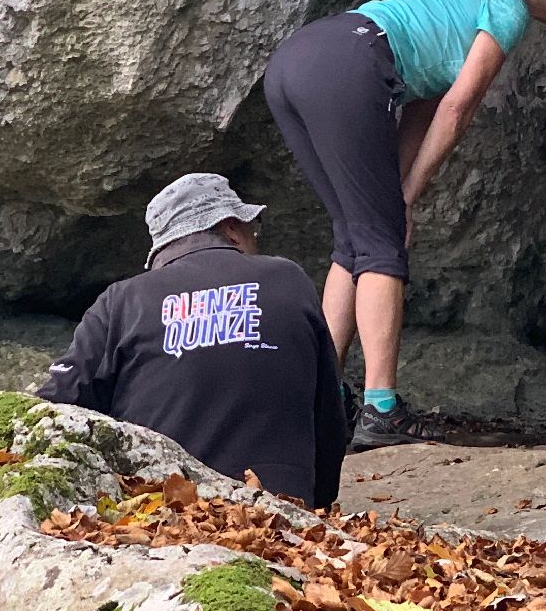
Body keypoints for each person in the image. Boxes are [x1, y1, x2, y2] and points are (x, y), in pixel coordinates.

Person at [265, 0, 546, 449]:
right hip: (351, 60)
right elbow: (457, 108)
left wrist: (395, 194)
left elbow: (422, 103)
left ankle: (322, 400)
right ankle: (381, 409)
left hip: (295, 62)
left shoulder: (458, 1)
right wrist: (405, 200)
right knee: (381, 241)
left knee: (355, 236)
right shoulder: (507, 5)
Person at [37, 173, 347, 507]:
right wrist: (316, 505)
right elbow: (329, 414)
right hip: (278, 508)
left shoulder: (123, 301)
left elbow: (55, 408)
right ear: (231, 228)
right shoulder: (287, 278)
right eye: (251, 229)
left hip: (163, 514)